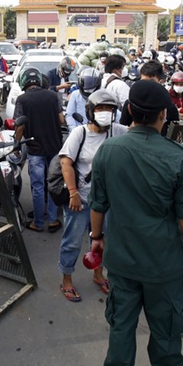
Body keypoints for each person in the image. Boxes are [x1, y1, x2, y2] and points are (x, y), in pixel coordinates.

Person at [90, 79, 183, 366]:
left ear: (128, 112)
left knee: (121, 320)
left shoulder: (108, 151)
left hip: (122, 258)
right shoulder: (177, 156)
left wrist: (97, 240)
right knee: (167, 320)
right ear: (163, 115)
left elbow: (98, 204)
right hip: (164, 261)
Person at [58, 90, 128, 302]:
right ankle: (67, 279)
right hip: (80, 200)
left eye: (109, 109)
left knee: (102, 240)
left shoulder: (118, 131)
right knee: (72, 242)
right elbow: (66, 163)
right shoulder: (80, 133)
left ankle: (98, 275)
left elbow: (140, 134)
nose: (105, 113)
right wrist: (73, 193)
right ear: (91, 111)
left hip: (106, 203)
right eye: (100, 108)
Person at [14, 67, 64, 233]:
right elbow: (61, 119)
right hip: (54, 146)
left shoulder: (22, 100)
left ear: (24, 82)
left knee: (37, 186)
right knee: (52, 183)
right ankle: (52, 220)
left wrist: (16, 144)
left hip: (35, 149)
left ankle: (38, 222)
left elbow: (20, 126)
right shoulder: (53, 95)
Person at [120, 61, 180, 135]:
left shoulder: (169, 107)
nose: (146, 85)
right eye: (143, 81)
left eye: (151, 82)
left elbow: (175, 133)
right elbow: (122, 127)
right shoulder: (131, 103)